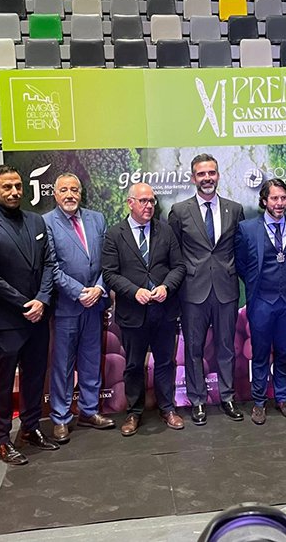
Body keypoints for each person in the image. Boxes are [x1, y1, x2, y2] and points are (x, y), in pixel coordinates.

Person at [0, 165, 61, 465]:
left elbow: (49, 264)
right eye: (6, 187)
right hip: (7, 321)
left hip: (39, 316)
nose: (14, 192)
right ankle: (0, 437)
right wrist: (26, 304)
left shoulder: (35, 221)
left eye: (18, 186)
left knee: (35, 377)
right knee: (3, 381)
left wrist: (42, 300)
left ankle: (31, 427)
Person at [102, 183, 187, 436]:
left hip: (164, 310)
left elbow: (179, 267)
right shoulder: (115, 234)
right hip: (132, 312)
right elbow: (109, 273)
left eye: (152, 201)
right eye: (143, 201)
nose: (149, 205)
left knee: (164, 362)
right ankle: (134, 412)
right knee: (133, 365)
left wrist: (166, 287)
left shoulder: (166, 231)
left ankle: (168, 408)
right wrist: (133, 291)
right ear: (130, 203)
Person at [168, 154, 246, 425]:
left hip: (225, 289)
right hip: (193, 291)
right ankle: (197, 400)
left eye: (211, 173)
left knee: (227, 347)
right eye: (201, 174)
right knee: (193, 348)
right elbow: (174, 252)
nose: (207, 178)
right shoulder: (179, 211)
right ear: (193, 178)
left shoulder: (234, 209)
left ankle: (227, 397)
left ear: (218, 175)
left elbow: (240, 249)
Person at [43, 172, 115, 443]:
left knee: (90, 360)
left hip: (95, 303)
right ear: (55, 194)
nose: (70, 195)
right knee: (62, 365)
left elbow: (108, 260)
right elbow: (51, 266)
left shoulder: (97, 219)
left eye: (74, 189)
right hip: (67, 306)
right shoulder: (47, 222)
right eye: (64, 190)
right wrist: (78, 292)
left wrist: (98, 288)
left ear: (81, 193)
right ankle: (61, 417)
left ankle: (88, 410)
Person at [234, 178, 286, 425]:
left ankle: (282, 398)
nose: (280, 203)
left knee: (284, 352)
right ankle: (259, 402)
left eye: (283, 198)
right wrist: (256, 287)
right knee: (261, 353)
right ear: (264, 201)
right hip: (262, 301)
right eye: (274, 198)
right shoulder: (247, 229)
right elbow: (242, 264)